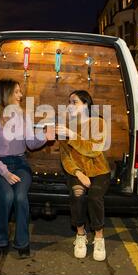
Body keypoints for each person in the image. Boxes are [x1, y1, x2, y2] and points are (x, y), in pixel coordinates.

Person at [0, 78, 52, 258]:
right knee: (6, 196)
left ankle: (22, 242)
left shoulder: (23, 117)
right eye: (16, 92)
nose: (20, 95)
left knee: (20, 197)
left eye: (20, 92)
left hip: (21, 164)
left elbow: (31, 143)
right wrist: (5, 173)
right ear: (6, 95)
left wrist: (45, 136)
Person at [55, 90, 111, 261]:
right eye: (69, 102)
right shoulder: (67, 126)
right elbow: (65, 157)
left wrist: (73, 135)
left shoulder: (99, 123)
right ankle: (80, 234)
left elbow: (94, 150)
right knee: (78, 194)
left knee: (94, 196)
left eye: (74, 102)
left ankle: (99, 237)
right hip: (77, 173)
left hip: (99, 171)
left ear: (86, 104)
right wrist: (78, 173)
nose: (70, 106)